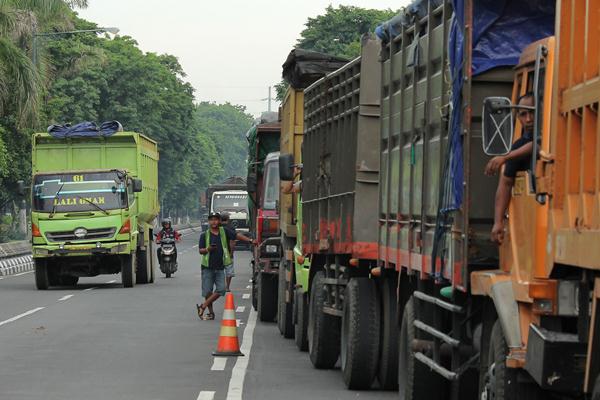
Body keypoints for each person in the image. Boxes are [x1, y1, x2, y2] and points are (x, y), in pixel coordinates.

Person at [485, 93, 535, 244]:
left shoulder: (552, 135)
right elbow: (506, 183)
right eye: (523, 114)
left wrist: (505, 157)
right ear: (518, 118)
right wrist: (498, 221)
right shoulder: (518, 147)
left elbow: (538, 145)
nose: (529, 119)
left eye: (532, 112)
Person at [197, 212, 236, 320]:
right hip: (207, 267)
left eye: (216, 219)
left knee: (221, 289)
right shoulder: (204, 235)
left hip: (220, 267)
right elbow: (200, 251)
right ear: (208, 221)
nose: (213, 221)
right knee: (208, 291)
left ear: (219, 221)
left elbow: (236, 236)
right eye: (211, 219)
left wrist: (251, 240)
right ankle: (211, 313)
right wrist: (208, 249)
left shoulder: (224, 231)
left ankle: (203, 306)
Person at [220, 211, 256, 291]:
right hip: (227, 253)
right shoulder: (230, 228)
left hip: (216, 253)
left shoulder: (215, 228)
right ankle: (227, 287)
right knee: (229, 270)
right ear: (228, 219)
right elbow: (232, 241)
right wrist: (231, 253)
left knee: (218, 270)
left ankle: (219, 285)